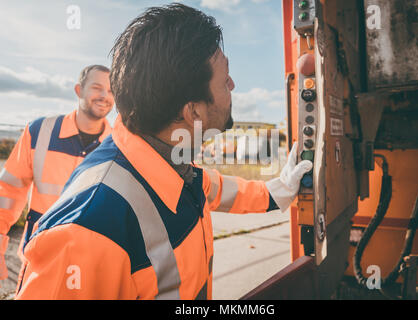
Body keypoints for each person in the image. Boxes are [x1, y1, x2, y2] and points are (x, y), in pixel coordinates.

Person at [15, 4, 312, 300]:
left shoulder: (168, 163)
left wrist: (278, 191)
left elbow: (213, 187)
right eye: (225, 79)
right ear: (192, 111)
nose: (232, 85)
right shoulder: (84, 235)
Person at [0, 65, 114, 287]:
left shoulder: (118, 144)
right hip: (38, 261)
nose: (104, 96)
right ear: (79, 90)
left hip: (94, 268)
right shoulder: (39, 131)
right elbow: (8, 191)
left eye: (111, 90)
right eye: (97, 88)